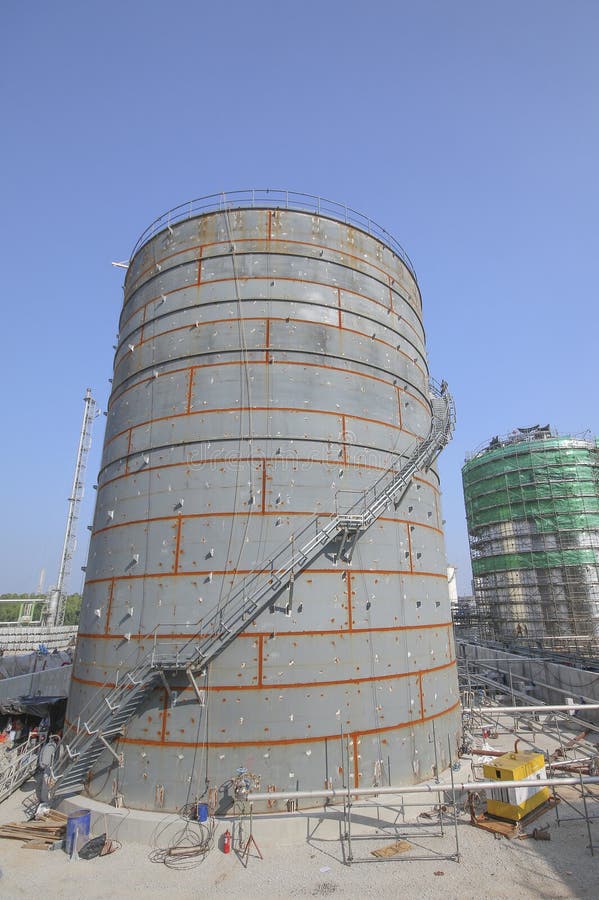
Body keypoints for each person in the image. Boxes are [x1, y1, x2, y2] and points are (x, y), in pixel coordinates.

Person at [35, 735, 60, 805]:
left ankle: (44, 800)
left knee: (44, 785)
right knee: (45, 785)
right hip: (47, 768)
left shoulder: (48, 746)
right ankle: (44, 800)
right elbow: (45, 760)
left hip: (46, 767)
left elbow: (43, 757)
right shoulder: (51, 747)